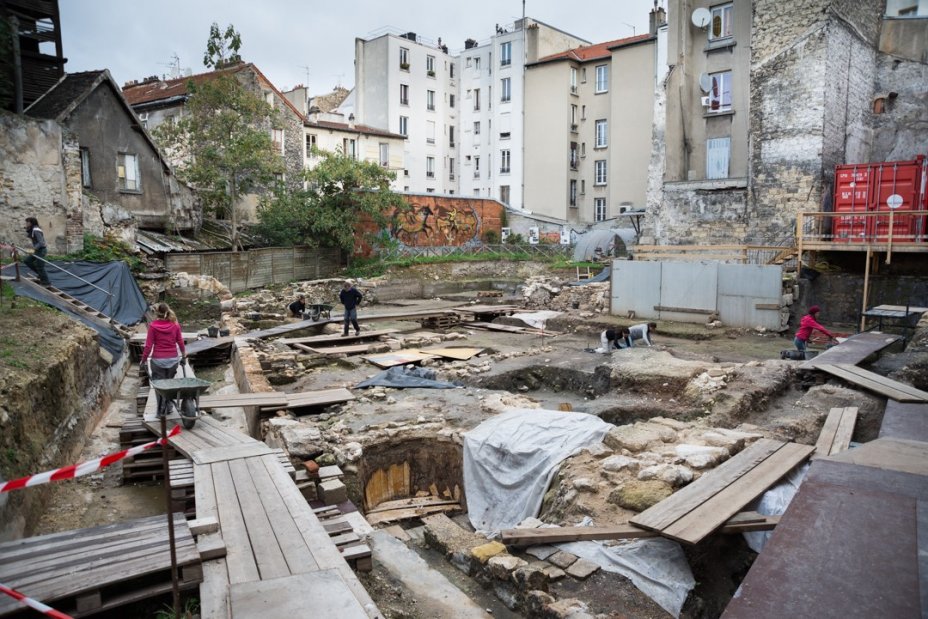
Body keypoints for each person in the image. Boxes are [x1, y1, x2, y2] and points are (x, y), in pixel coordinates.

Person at [141, 302, 187, 418]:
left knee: (159, 386)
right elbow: (180, 341)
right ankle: (169, 407)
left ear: (156, 313)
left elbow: (148, 346)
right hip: (172, 361)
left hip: (158, 361)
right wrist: (183, 354)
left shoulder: (153, 326)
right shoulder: (175, 325)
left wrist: (143, 360)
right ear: (167, 311)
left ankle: (160, 410)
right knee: (169, 383)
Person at [23, 217, 50, 285]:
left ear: (31, 223)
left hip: (41, 250)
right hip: (37, 250)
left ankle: (46, 283)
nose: (26, 223)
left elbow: (41, 242)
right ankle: (40, 274)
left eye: (27, 222)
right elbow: (33, 239)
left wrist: (34, 249)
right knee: (27, 261)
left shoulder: (36, 230)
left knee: (40, 266)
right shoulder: (32, 229)